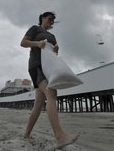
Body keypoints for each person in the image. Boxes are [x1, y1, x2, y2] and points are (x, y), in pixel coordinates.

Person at [20, 12, 79, 149]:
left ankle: (26, 135)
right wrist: (37, 43)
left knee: (39, 104)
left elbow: (52, 54)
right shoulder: (35, 28)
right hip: (36, 65)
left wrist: (56, 50)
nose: (51, 21)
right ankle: (60, 136)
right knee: (51, 93)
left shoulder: (52, 36)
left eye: (53, 20)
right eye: (49, 19)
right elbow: (23, 43)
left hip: (48, 68)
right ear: (42, 18)